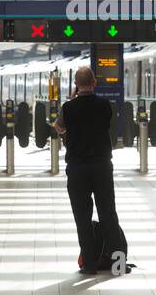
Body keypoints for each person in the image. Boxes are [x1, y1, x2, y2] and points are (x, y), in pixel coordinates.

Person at [52, 66, 127, 276]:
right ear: (94, 82)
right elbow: (104, 124)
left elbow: (59, 127)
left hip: (77, 168)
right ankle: (117, 263)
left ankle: (90, 264)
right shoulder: (105, 106)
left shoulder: (68, 108)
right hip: (102, 166)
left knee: (82, 217)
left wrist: (73, 102)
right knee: (108, 213)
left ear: (76, 84)